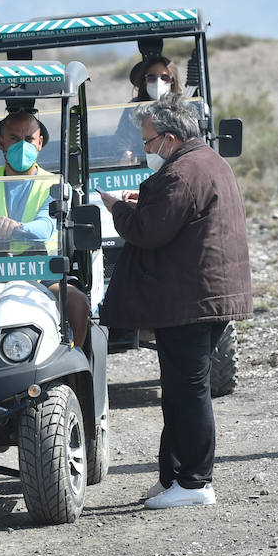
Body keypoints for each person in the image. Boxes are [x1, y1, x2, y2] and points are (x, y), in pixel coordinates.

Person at [98, 93, 252, 508]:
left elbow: (149, 231)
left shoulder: (181, 172)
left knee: (187, 392)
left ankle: (196, 483)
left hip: (191, 300)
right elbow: (172, 216)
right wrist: (143, 202)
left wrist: (116, 208)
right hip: (205, 295)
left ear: (169, 138)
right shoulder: (207, 161)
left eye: (148, 142)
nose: (146, 149)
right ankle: (174, 478)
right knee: (181, 390)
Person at [0, 108, 90, 348]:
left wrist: (16, 226)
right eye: (14, 139)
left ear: (40, 143)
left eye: (29, 139)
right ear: (1, 143)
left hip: (40, 274)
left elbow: (45, 228)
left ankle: (75, 363)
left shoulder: (56, 184)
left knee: (77, 303)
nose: (22, 145)